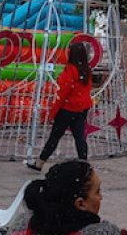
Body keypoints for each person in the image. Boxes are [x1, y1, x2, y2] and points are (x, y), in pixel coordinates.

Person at [12, 160, 127, 235]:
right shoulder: (103, 232)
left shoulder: (22, 225)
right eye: (97, 192)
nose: (101, 197)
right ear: (80, 204)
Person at [27, 42, 94, 171]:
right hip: (81, 109)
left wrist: (53, 113)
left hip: (67, 109)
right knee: (80, 137)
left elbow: (62, 92)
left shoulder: (70, 70)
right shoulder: (86, 70)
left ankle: (40, 162)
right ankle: (85, 164)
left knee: (55, 136)